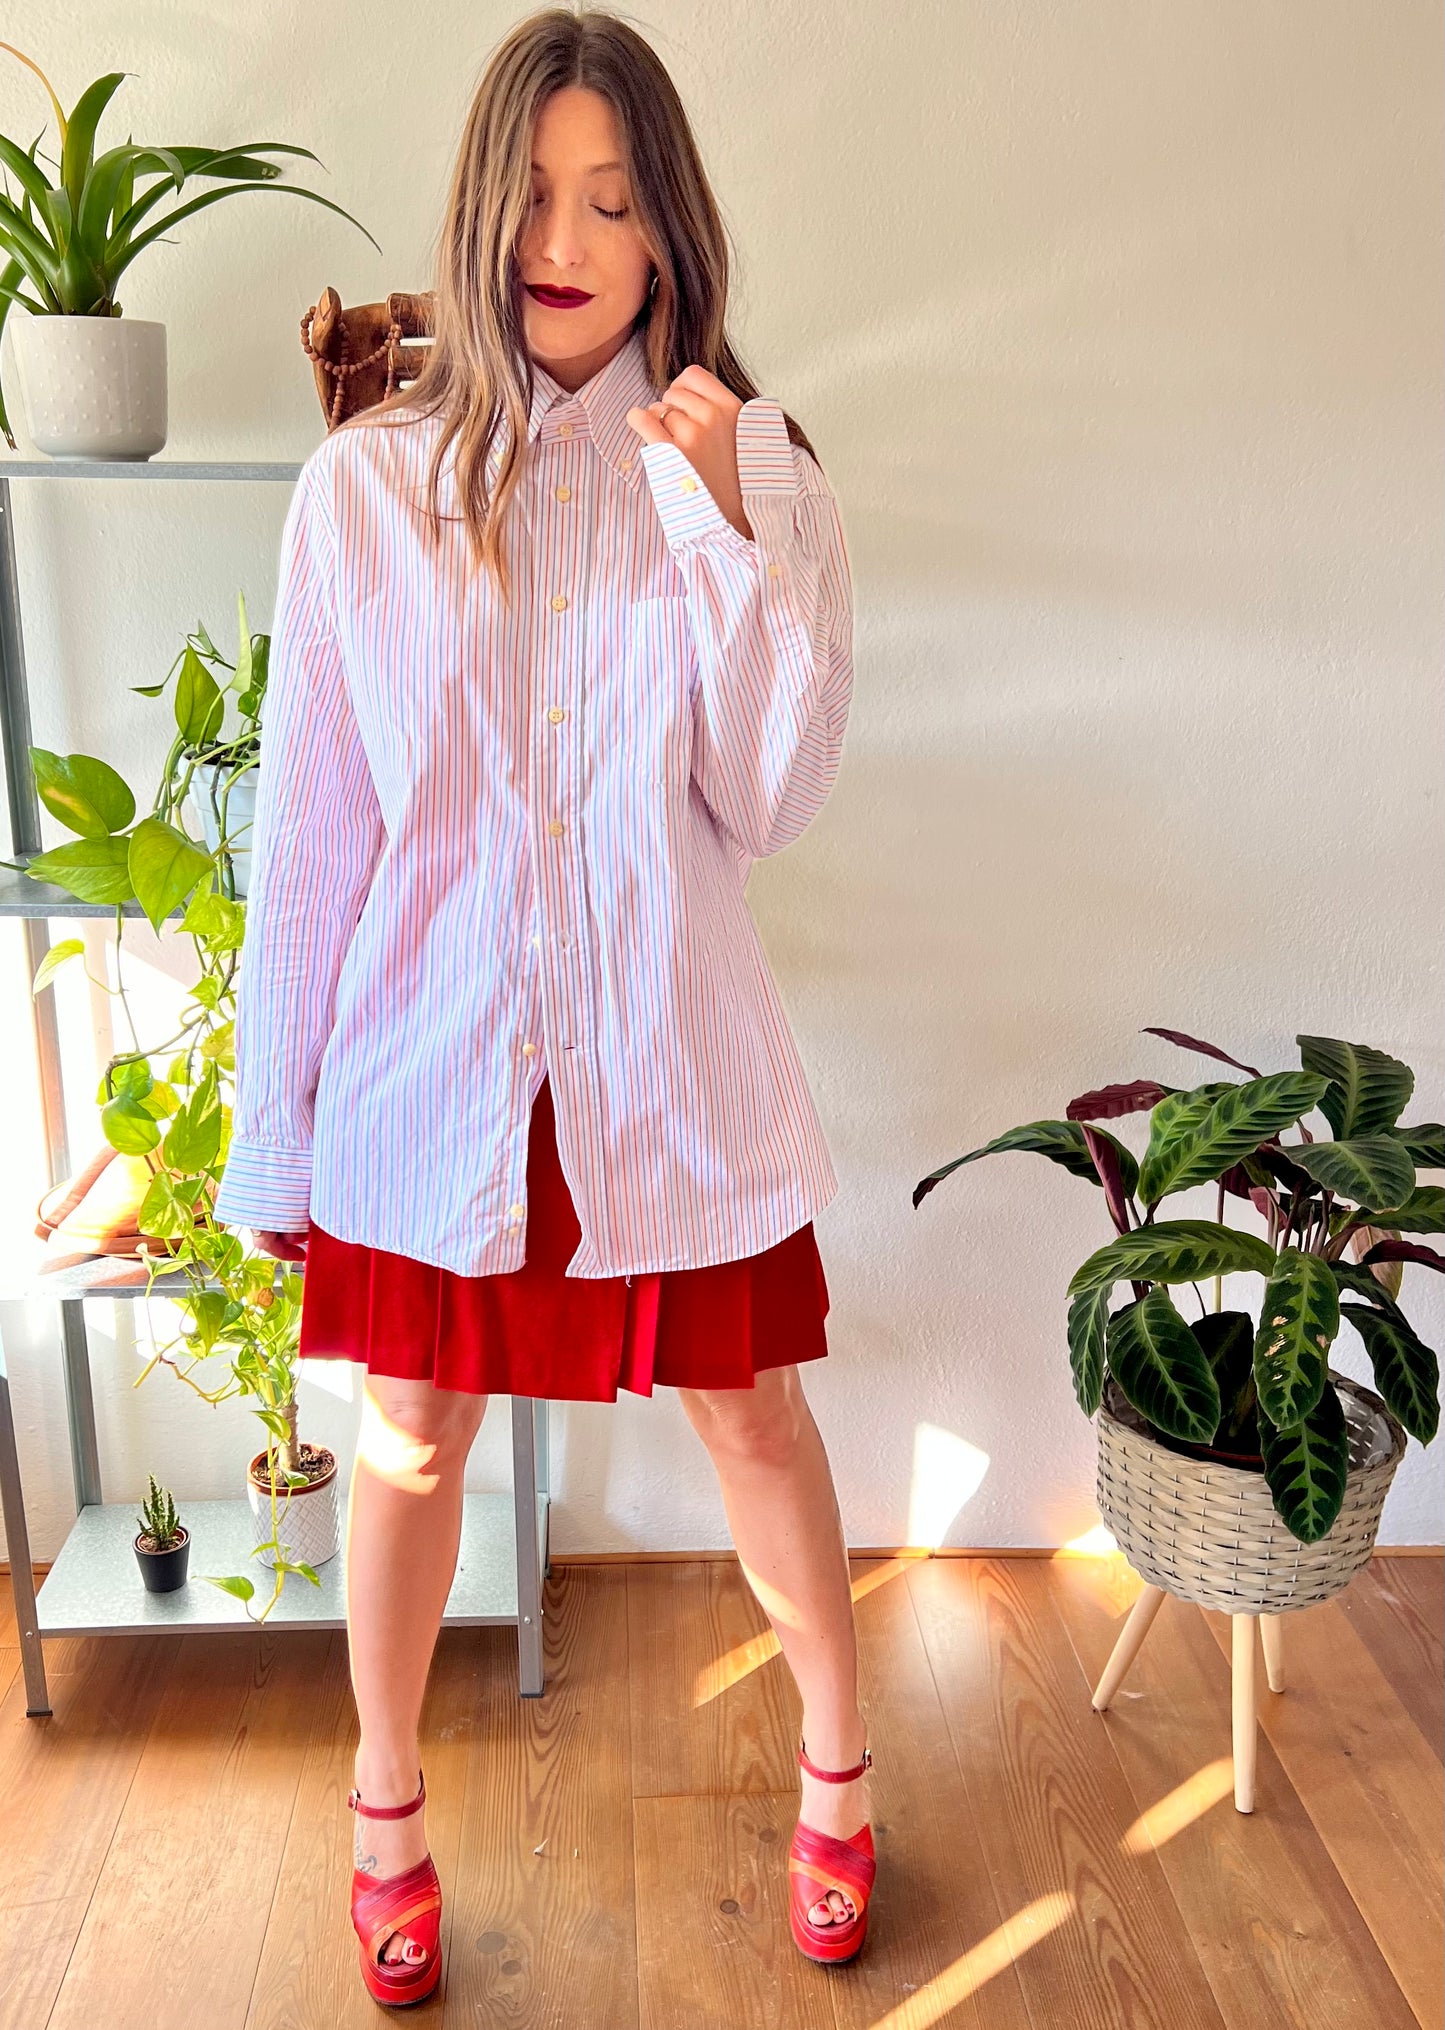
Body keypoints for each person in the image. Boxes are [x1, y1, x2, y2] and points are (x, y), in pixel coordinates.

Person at [212, 6, 869, 2006]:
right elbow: (312, 838)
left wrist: (720, 523)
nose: (566, 237)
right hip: (435, 1072)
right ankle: (386, 1802)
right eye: (535, 191)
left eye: (615, 198)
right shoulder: (364, 495)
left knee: (749, 1410)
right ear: (483, 208)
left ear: (671, 234)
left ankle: (837, 1775)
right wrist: (275, 1118)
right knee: (408, 1434)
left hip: (662, 1070)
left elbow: (764, 802)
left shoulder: (756, 470)